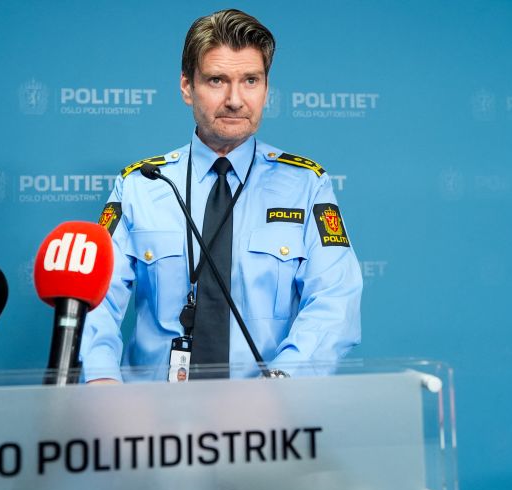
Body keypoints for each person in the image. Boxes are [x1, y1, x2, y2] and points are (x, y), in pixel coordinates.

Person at [82, 9, 362, 383]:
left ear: (266, 89)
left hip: (268, 408)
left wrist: (282, 384)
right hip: (153, 410)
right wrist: (101, 381)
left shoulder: (306, 185)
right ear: (187, 87)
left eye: (251, 80)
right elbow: (95, 301)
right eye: (217, 80)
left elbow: (335, 300)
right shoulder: (140, 185)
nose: (235, 99)